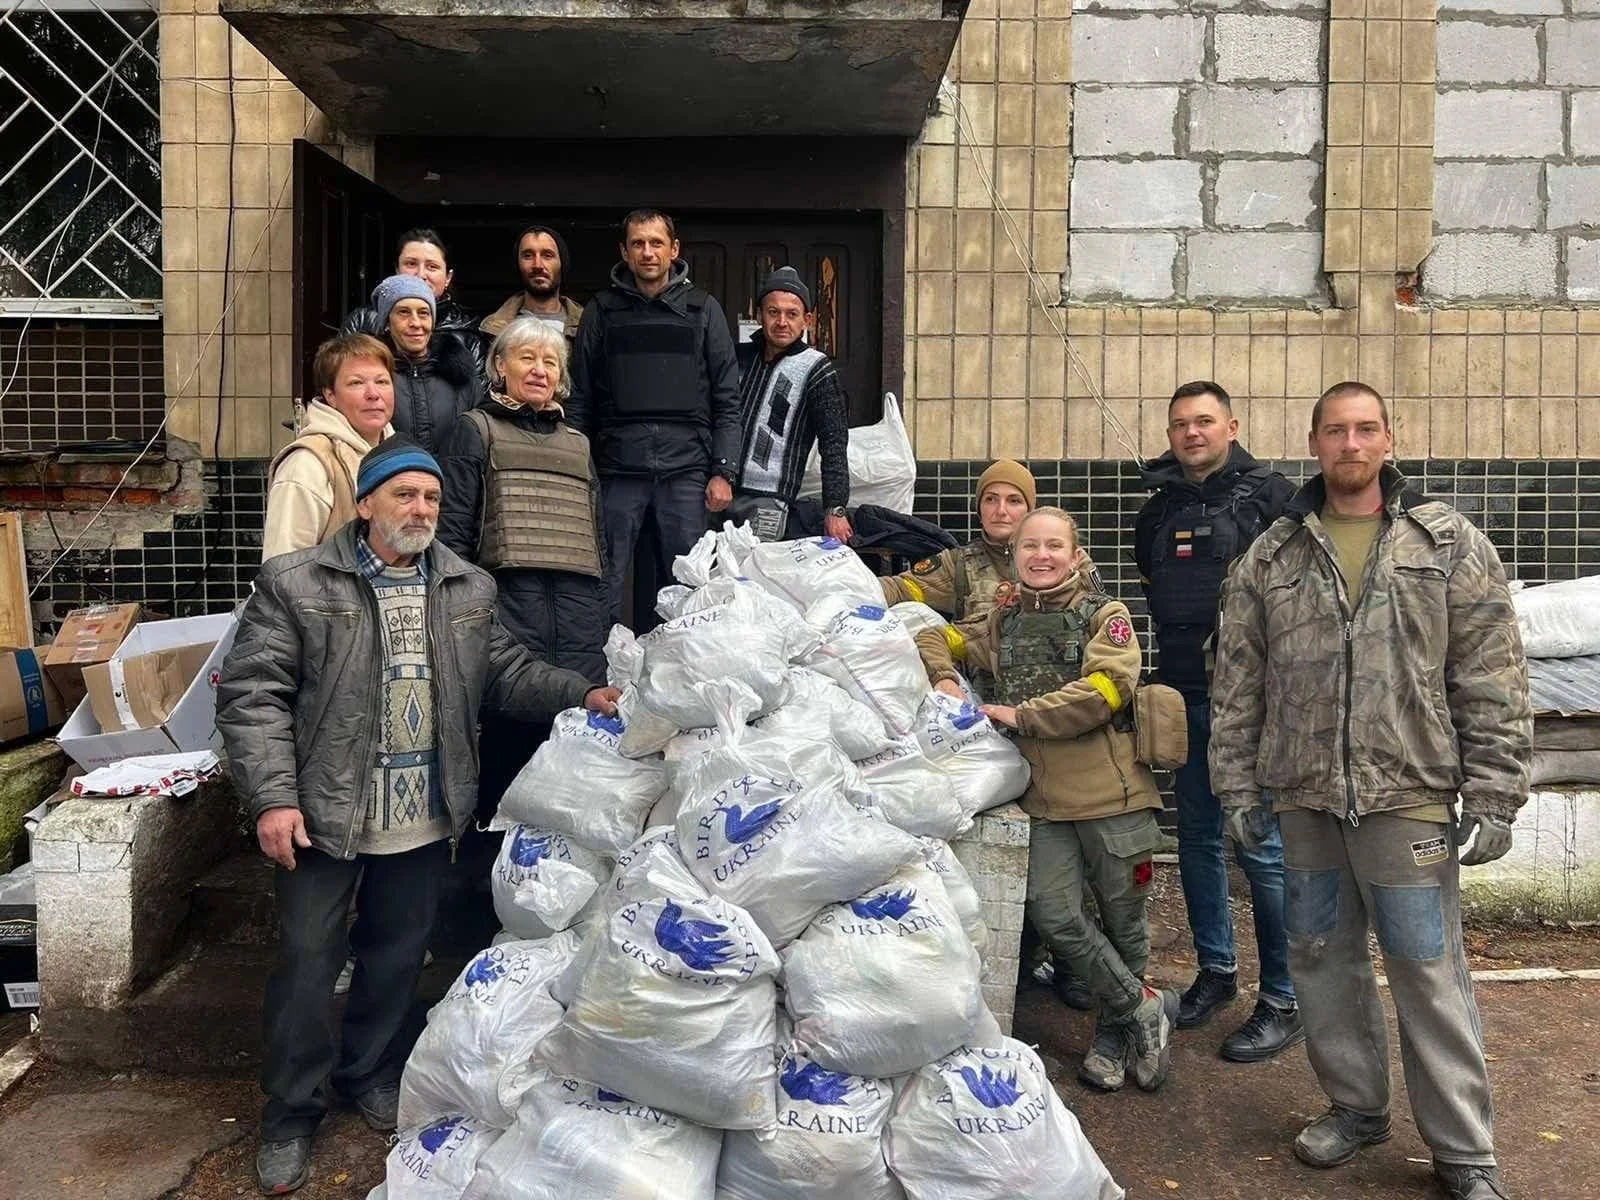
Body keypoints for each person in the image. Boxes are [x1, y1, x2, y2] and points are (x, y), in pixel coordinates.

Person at [218, 434, 621, 1195]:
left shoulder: (466, 586)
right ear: (366, 502)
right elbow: (253, 694)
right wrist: (272, 797)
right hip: (324, 812)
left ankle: (368, 1073)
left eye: (432, 497)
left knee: (397, 958)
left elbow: (505, 670)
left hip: (423, 815)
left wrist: (583, 692)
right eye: (404, 494)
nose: (421, 509)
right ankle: (291, 1113)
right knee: (307, 967)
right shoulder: (298, 582)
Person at [1210, 382, 1531, 1200]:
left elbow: (1490, 672)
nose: (1350, 444)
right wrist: (1238, 788)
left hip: (1409, 797)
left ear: (1391, 438)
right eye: (1334, 431)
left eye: (1365, 430)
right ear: (1313, 442)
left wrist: (1495, 790)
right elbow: (1238, 684)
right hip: (1307, 801)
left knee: (1427, 968)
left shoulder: (1448, 541)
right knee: (1321, 958)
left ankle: (1464, 1151)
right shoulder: (1272, 555)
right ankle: (1355, 1107)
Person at [947, 506, 1174, 1094]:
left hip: (1112, 798)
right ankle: (1138, 1007)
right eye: (1029, 547)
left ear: (1075, 556)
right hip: (1044, 803)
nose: (1041, 556)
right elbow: (935, 636)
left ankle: (1112, 1031)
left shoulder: (1107, 616)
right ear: (1015, 554)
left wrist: (1020, 715)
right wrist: (943, 675)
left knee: (1123, 923)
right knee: (1053, 914)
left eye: (1054, 546)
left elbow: (1105, 690)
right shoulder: (1001, 622)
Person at [1133, 379, 1303, 1061]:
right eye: (1180, 424)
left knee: (1259, 846)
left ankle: (1285, 997)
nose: (1191, 433)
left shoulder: (1274, 499)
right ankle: (1217, 974)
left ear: (1231, 426)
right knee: (1197, 836)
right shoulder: (1157, 509)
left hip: (1252, 701)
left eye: (1204, 421)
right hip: (1182, 695)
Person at [437, 316, 608, 814]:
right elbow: (452, 540)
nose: (539, 370)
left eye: (550, 361)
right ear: (499, 367)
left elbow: (598, 546)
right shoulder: (474, 431)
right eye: (526, 358)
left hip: (578, 629)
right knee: (505, 784)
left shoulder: (579, 444)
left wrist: (600, 626)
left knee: (572, 787)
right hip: (509, 622)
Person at [567, 209, 741, 623]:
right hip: (617, 471)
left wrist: (724, 470)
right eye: (638, 244)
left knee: (687, 586)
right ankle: (597, 679)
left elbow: (727, 398)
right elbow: (580, 397)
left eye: (656, 243)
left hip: (685, 472)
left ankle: (681, 675)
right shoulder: (602, 311)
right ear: (624, 252)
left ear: (674, 250)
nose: (648, 252)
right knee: (603, 582)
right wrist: (577, 469)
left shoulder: (703, 309)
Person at [879, 458, 1034, 698]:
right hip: (986, 707)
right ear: (979, 510)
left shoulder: (1059, 558)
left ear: (1030, 510)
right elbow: (898, 588)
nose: (1001, 510)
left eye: (1014, 501)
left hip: (1055, 701)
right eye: (991, 499)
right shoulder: (959, 564)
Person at [731, 266, 851, 542]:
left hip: (770, 501)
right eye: (773, 312)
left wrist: (835, 508)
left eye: (792, 314)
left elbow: (833, 443)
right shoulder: (738, 358)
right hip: (721, 493)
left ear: (806, 320)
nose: (782, 321)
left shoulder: (817, 369)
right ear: (759, 315)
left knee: (756, 575)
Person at [263, 334, 394, 561]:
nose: (373, 394)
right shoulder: (307, 463)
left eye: (382, 381)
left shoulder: (400, 454)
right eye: (356, 383)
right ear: (330, 395)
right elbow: (283, 571)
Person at [342, 228, 483, 375]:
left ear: (448, 277)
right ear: (397, 270)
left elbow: (478, 394)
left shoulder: (468, 331)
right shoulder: (363, 320)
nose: (420, 275)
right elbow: (339, 378)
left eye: (432, 267)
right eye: (411, 264)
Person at [371, 273, 482, 453]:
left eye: (423, 313)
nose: (415, 323)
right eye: (404, 312)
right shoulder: (372, 375)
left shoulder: (462, 377)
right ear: (387, 322)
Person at [478, 225, 585, 368]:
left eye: (547, 255)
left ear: (562, 264)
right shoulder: (493, 328)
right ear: (517, 264)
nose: (538, 265)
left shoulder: (587, 326)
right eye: (528, 255)